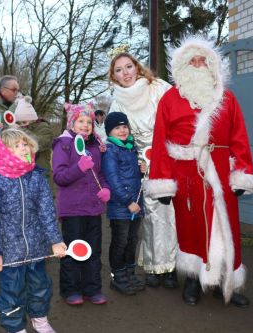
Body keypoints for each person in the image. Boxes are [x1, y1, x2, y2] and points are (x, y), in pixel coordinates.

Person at [145, 36, 253, 308]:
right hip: (186, 173)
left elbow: (239, 138)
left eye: (203, 61)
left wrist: (241, 174)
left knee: (226, 227)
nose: (198, 65)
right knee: (192, 227)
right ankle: (193, 281)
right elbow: (160, 142)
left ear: (212, 66)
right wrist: (163, 182)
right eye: (192, 61)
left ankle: (227, 281)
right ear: (182, 67)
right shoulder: (170, 99)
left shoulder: (227, 98)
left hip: (221, 170)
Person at [0, 127, 66, 333]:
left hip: (36, 248)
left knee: (41, 287)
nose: (22, 148)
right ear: (4, 151)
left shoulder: (36, 176)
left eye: (25, 143)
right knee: (11, 292)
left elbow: (46, 211)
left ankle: (40, 320)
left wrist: (55, 240)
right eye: (16, 146)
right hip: (9, 252)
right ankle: (15, 328)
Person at [108, 47, 178, 289]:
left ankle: (171, 267)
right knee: (147, 217)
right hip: (139, 164)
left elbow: (178, 118)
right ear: (113, 76)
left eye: (128, 66)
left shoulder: (158, 87)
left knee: (170, 215)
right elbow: (114, 136)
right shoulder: (116, 100)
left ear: (137, 67)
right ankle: (153, 266)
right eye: (119, 70)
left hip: (166, 156)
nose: (125, 73)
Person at [52, 102, 110, 306]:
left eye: (89, 122)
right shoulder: (63, 144)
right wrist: (79, 167)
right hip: (73, 209)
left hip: (93, 207)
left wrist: (105, 189)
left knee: (94, 250)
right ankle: (70, 290)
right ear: (72, 123)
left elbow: (99, 174)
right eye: (81, 121)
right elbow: (59, 177)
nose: (85, 125)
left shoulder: (95, 146)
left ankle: (92, 289)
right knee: (74, 249)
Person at [101, 112, 145, 295]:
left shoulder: (130, 148)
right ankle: (118, 276)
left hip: (136, 204)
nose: (122, 130)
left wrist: (142, 171)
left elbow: (133, 177)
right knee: (120, 241)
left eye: (124, 127)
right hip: (121, 206)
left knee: (132, 240)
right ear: (110, 131)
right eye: (117, 128)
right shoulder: (110, 150)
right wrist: (128, 202)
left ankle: (129, 272)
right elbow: (113, 180)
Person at [13, 95, 54, 170]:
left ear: (32, 119)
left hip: (42, 174)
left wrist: (21, 130)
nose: (22, 125)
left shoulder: (44, 128)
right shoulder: (20, 130)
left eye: (24, 122)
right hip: (23, 173)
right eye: (19, 123)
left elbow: (38, 144)